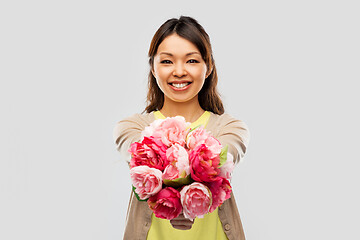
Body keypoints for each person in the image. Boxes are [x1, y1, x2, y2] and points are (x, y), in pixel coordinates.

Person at [113, 16, 250, 240]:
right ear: (153, 68)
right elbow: (141, 157)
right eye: (167, 61)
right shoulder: (131, 127)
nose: (179, 71)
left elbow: (222, 158)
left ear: (209, 67)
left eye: (192, 61)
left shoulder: (230, 127)